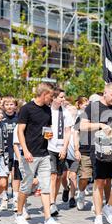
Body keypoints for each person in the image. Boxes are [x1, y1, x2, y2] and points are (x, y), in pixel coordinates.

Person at [80, 83, 112, 224]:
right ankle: (98, 216)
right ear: (105, 93)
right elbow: (83, 126)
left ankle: (109, 207)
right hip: (98, 149)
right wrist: (101, 125)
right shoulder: (93, 106)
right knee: (100, 183)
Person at [16, 82, 61, 224]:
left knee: (46, 187)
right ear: (44, 94)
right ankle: (19, 214)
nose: (52, 99)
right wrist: (25, 150)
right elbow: (20, 131)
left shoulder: (48, 111)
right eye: (51, 96)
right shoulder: (26, 109)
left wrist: (49, 135)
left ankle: (48, 219)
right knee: (26, 187)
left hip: (44, 154)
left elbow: (46, 129)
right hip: (29, 154)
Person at [48, 88, 73, 216]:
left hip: (61, 147)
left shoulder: (66, 112)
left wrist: (64, 147)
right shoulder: (47, 111)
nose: (64, 99)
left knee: (58, 176)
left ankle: (53, 201)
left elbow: (68, 131)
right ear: (54, 98)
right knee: (52, 175)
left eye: (64, 97)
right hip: (49, 147)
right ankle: (51, 203)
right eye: (61, 97)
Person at [1, 96, 18, 211]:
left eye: (11, 104)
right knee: (5, 176)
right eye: (7, 104)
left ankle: (16, 199)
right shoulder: (1, 118)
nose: (9, 107)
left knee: (16, 175)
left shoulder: (19, 118)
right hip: (5, 151)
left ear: (15, 106)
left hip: (16, 150)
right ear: (3, 106)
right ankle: (4, 198)